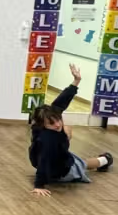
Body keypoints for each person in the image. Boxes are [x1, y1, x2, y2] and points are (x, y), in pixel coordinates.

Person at [29, 63, 112, 197]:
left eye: (58, 119)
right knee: (81, 164)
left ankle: (103, 160)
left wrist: (76, 81)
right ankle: (106, 160)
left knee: (75, 156)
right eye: (51, 123)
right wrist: (39, 185)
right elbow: (44, 159)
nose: (57, 124)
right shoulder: (47, 140)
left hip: (58, 160)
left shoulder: (44, 121)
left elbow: (62, 101)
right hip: (62, 172)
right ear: (43, 125)